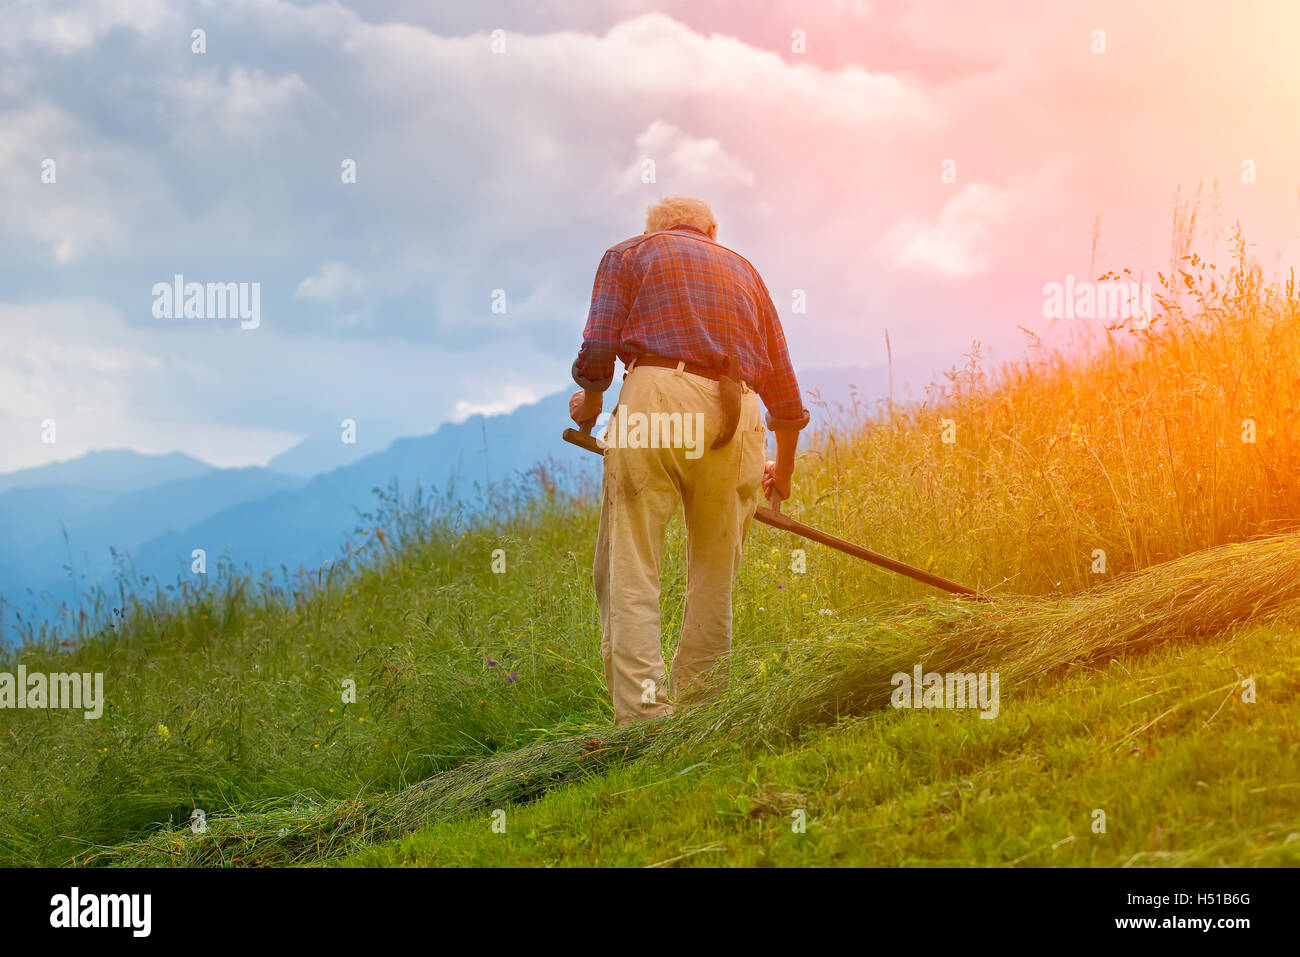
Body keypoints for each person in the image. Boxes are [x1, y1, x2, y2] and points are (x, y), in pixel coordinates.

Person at [569, 196, 810, 725]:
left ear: (654, 230)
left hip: (656, 396)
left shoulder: (628, 253)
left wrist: (587, 403)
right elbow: (785, 390)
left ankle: (645, 717)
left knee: (632, 562)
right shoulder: (746, 271)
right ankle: (703, 711)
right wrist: (784, 472)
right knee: (715, 570)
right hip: (738, 410)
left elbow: (599, 345)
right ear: (712, 231)